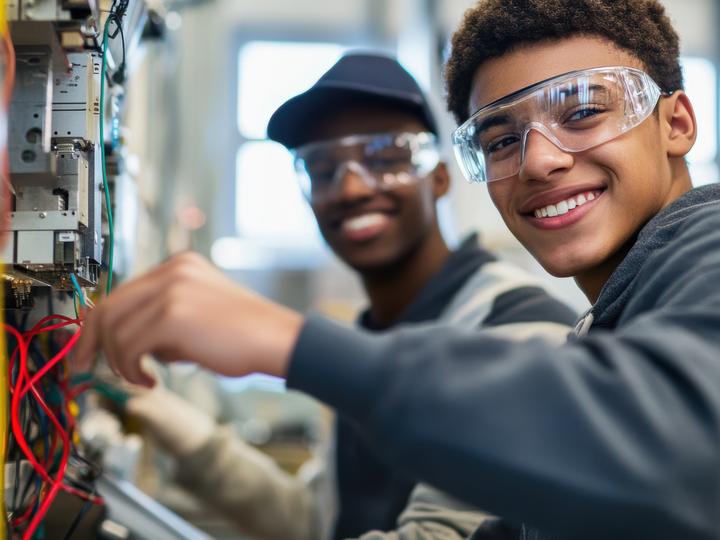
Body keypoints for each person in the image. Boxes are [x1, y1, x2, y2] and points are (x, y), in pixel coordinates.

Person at [76, 1, 720, 538]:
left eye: (582, 112)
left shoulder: (686, 259)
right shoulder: (609, 319)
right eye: (499, 140)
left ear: (677, 122)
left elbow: (680, 447)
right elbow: (322, 521)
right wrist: (166, 420)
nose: (540, 160)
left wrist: (293, 344)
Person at [122, 52, 577, 540]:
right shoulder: (369, 338)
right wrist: (186, 435)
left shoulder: (518, 329)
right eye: (322, 168)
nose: (353, 187)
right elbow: (318, 523)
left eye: (385, 157)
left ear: (439, 178)